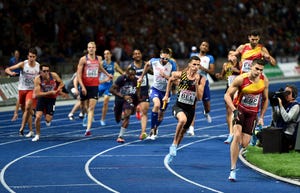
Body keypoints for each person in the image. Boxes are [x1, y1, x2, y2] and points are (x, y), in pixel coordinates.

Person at [224, 59, 269, 181]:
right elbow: (227, 95)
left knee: (244, 143)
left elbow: (265, 99)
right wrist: (234, 109)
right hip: (240, 110)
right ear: (251, 67)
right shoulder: (241, 79)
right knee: (236, 135)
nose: (259, 72)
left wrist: (262, 117)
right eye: (257, 69)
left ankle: (253, 135)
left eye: (261, 70)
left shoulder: (264, 81)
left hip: (252, 114)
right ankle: (233, 170)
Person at [163, 56, 206, 163]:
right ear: (189, 65)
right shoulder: (180, 74)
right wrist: (167, 95)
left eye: (198, 65)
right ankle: (173, 144)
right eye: (194, 64)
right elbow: (170, 80)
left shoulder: (201, 79)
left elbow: (199, 98)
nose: (196, 67)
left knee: (182, 133)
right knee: (182, 120)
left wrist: (196, 84)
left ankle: (174, 150)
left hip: (190, 109)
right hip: (179, 106)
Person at [138, 48, 177, 140]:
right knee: (156, 105)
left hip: (166, 91)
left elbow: (174, 80)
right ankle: (152, 130)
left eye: (166, 59)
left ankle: (156, 127)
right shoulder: (154, 61)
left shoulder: (172, 64)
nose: (164, 60)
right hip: (155, 89)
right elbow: (147, 65)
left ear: (169, 57)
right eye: (162, 58)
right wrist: (141, 76)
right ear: (160, 55)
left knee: (161, 114)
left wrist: (166, 76)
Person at [77, 41, 113, 136]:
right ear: (87, 49)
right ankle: (83, 113)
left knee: (91, 107)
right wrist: (82, 86)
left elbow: (100, 68)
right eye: (89, 47)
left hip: (94, 86)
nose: (91, 49)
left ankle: (88, 129)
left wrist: (107, 74)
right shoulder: (83, 59)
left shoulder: (99, 58)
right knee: (82, 105)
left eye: (92, 47)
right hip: (84, 85)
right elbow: (78, 74)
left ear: (95, 48)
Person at [5, 48, 40, 137]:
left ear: (36, 57)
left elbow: (43, 76)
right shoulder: (23, 64)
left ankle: (22, 128)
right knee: (25, 110)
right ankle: (31, 130)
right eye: (30, 56)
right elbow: (7, 69)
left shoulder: (38, 66)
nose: (31, 58)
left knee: (28, 106)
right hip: (22, 89)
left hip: (31, 90)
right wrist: (11, 73)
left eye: (33, 57)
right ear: (28, 56)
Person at [257, 85, 299, 150]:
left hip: (288, 135)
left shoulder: (296, 106)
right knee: (260, 134)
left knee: (266, 136)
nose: (286, 94)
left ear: (293, 95)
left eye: (288, 93)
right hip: (279, 131)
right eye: (285, 92)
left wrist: (280, 105)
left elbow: (287, 119)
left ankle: (284, 145)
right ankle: (272, 144)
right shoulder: (284, 103)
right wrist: (273, 106)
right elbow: (275, 119)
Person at [187, 41, 215, 136]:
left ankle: (206, 112)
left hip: (204, 82)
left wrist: (203, 68)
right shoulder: (193, 55)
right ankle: (191, 128)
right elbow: (188, 67)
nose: (204, 47)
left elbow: (212, 71)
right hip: (193, 82)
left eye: (206, 46)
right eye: (203, 45)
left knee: (207, 105)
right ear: (200, 46)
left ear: (208, 49)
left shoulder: (209, 58)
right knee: (192, 106)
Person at [31, 64, 64, 141]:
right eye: (44, 71)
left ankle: (47, 117)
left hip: (52, 99)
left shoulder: (54, 75)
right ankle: (37, 135)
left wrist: (58, 89)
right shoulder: (37, 79)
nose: (46, 73)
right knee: (38, 117)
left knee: (48, 119)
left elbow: (62, 83)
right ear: (40, 72)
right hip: (42, 98)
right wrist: (50, 92)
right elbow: (38, 94)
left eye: (48, 71)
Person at [215, 51, 240, 144]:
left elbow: (243, 73)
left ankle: (238, 131)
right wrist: (219, 76)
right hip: (229, 88)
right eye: (229, 55)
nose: (231, 56)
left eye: (233, 55)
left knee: (236, 110)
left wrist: (234, 67)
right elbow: (223, 76)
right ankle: (230, 133)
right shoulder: (225, 65)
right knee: (229, 111)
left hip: (238, 89)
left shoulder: (240, 64)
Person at [109, 67, 140, 143]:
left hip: (129, 99)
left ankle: (120, 136)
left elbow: (138, 92)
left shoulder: (136, 80)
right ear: (127, 74)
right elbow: (111, 90)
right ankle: (120, 113)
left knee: (127, 115)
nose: (132, 76)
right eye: (130, 75)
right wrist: (123, 96)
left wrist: (137, 105)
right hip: (120, 98)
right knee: (118, 119)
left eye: (133, 75)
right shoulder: (121, 79)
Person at [128, 49, 150, 140]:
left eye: (139, 53)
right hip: (134, 91)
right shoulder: (131, 66)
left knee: (144, 111)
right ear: (133, 56)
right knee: (130, 112)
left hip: (144, 91)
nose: (137, 55)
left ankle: (143, 132)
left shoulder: (146, 64)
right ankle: (136, 109)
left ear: (141, 55)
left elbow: (154, 72)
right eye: (135, 54)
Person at [98, 50, 124, 126]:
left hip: (108, 86)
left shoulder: (114, 64)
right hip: (100, 85)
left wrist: (126, 76)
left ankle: (102, 119)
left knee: (106, 101)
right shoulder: (101, 63)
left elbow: (121, 72)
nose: (106, 55)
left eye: (107, 54)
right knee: (92, 103)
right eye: (104, 54)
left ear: (111, 55)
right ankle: (87, 114)